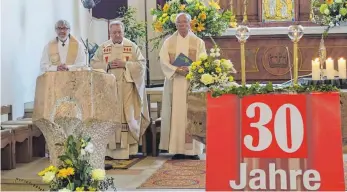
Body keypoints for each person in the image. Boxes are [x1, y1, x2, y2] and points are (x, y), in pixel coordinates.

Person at [90, 20, 150, 160]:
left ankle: (128, 150)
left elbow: (141, 65)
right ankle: (110, 151)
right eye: (114, 32)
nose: (117, 35)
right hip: (108, 89)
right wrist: (107, 65)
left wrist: (125, 64)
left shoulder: (131, 46)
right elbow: (93, 64)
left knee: (126, 115)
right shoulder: (103, 48)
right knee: (110, 115)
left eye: (119, 32)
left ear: (123, 32)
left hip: (126, 88)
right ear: (110, 33)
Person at [159, 13, 206, 160]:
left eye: (184, 22)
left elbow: (203, 60)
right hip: (175, 83)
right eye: (179, 23)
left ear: (190, 23)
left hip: (192, 84)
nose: (182, 25)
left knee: (192, 113)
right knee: (177, 115)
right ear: (176, 25)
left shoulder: (198, 42)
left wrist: (191, 70)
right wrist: (177, 70)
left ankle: (193, 151)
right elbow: (163, 61)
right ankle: (177, 149)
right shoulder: (168, 42)